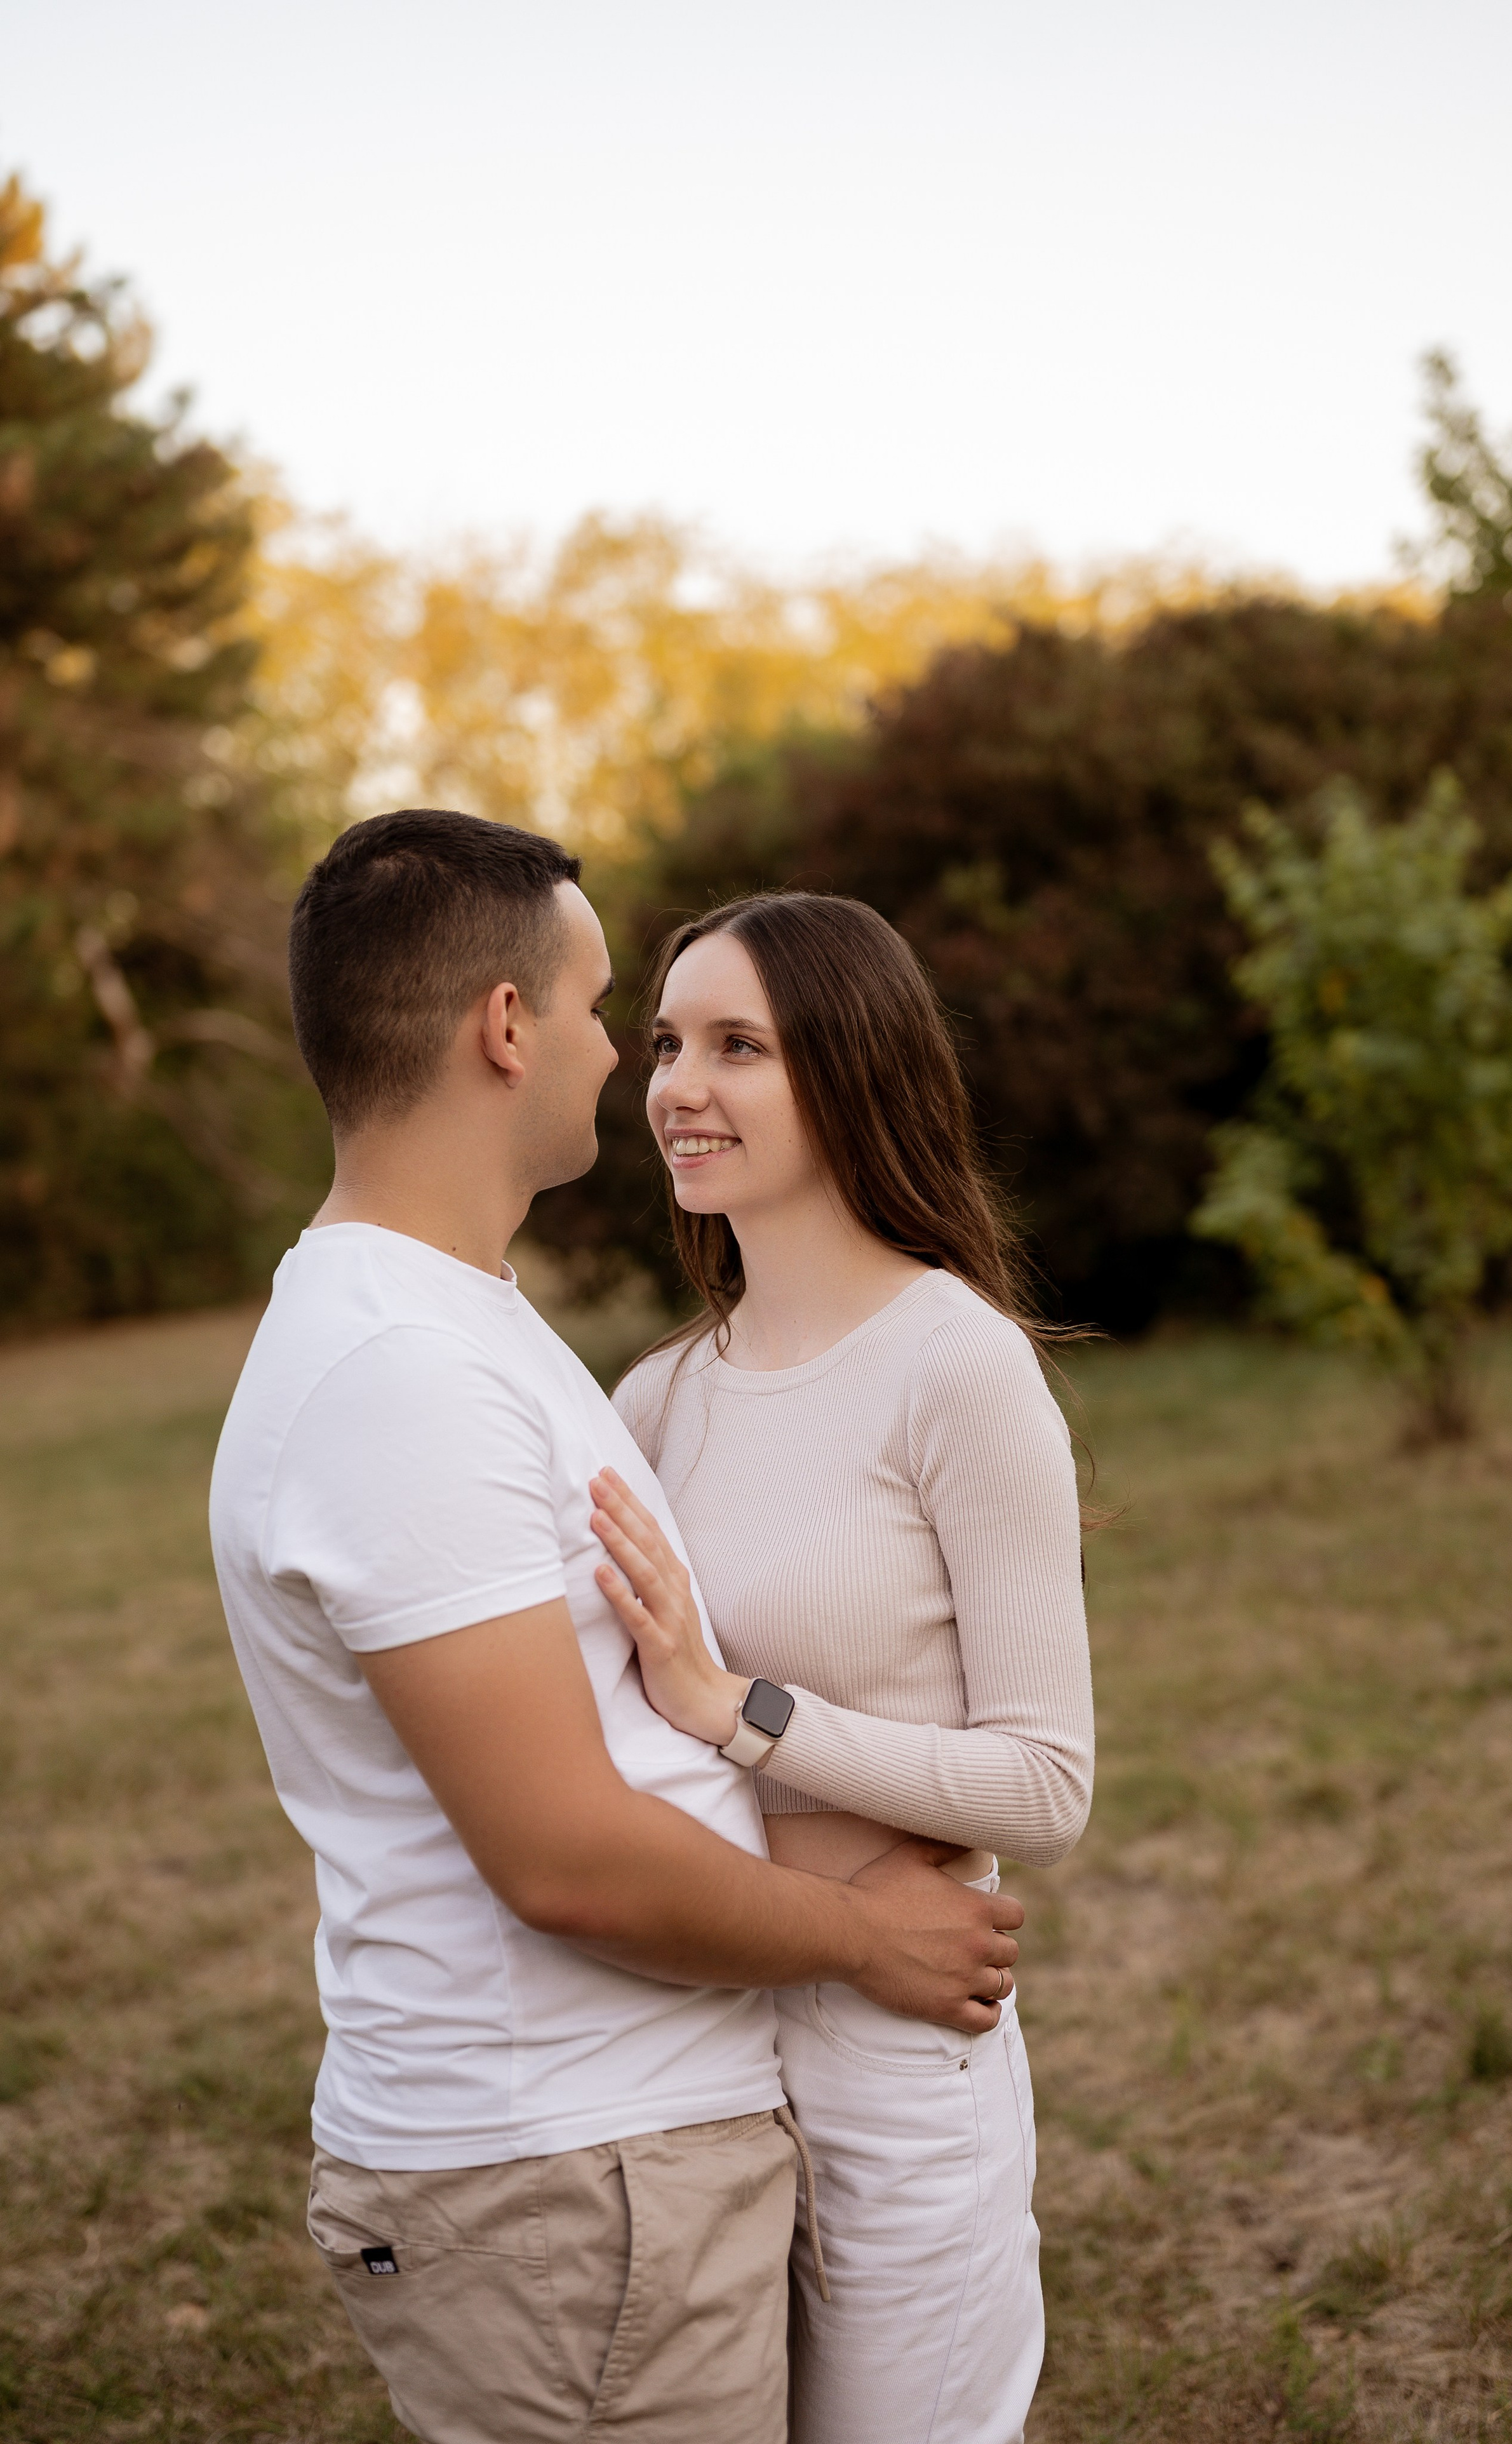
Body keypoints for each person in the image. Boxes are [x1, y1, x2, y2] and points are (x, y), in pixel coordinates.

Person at [208, 812, 1023, 2444]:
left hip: (615, 2157)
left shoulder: (463, 1326)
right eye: (602, 1013)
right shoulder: (402, 1378)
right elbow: (566, 1855)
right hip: (564, 2184)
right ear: (503, 1028)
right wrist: (867, 1937)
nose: (619, 1060)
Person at [594, 891, 1094, 2444]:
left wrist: (741, 1713)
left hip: (896, 2039)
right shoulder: (658, 1394)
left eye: (738, 1044)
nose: (680, 1083)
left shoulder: (954, 1362)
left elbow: (1046, 1781)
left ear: (851, 1069)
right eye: (669, 1041)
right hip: (702, 2032)